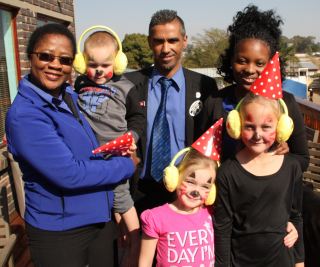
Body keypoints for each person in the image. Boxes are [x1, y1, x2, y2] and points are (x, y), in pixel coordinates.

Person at [5, 23, 137, 267]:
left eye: (64, 60)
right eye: (46, 56)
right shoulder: (26, 115)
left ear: (72, 64)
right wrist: (126, 165)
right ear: (30, 56)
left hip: (98, 219)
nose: (55, 65)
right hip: (62, 232)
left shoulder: (69, 96)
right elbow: (70, 174)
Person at [125, 9, 219, 214]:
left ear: (184, 41)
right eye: (159, 41)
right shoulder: (129, 84)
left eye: (173, 40)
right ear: (150, 42)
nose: (165, 48)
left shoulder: (205, 86)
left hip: (186, 192)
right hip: (139, 191)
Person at [214, 53, 304, 266]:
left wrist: (299, 262)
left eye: (266, 127)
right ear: (236, 126)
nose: (257, 134)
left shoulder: (291, 167)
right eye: (249, 126)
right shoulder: (227, 172)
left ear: (280, 127)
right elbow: (223, 228)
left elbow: (296, 216)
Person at [73, 26, 143, 266]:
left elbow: (137, 119)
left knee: (121, 198)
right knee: (110, 203)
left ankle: (136, 242)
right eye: (92, 64)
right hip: (90, 156)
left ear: (118, 62)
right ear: (82, 63)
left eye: (105, 65)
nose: (99, 71)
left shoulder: (126, 87)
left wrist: (132, 138)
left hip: (116, 154)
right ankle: (123, 240)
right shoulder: (79, 84)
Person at [213, 4, 309, 171]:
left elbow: (302, 160)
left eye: (259, 63)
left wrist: (284, 157)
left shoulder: (286, 103)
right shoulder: (214, 103)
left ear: (272, 64)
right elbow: (200, 155)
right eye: (242, 61)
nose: (250, 70)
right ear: (230, 60)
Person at [139, 119, 223, 267]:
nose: (196, 191)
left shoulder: (212, 214)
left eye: (205, 186)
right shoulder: (156, 218)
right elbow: (144, 262)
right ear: (175, 178)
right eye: (190, 182)